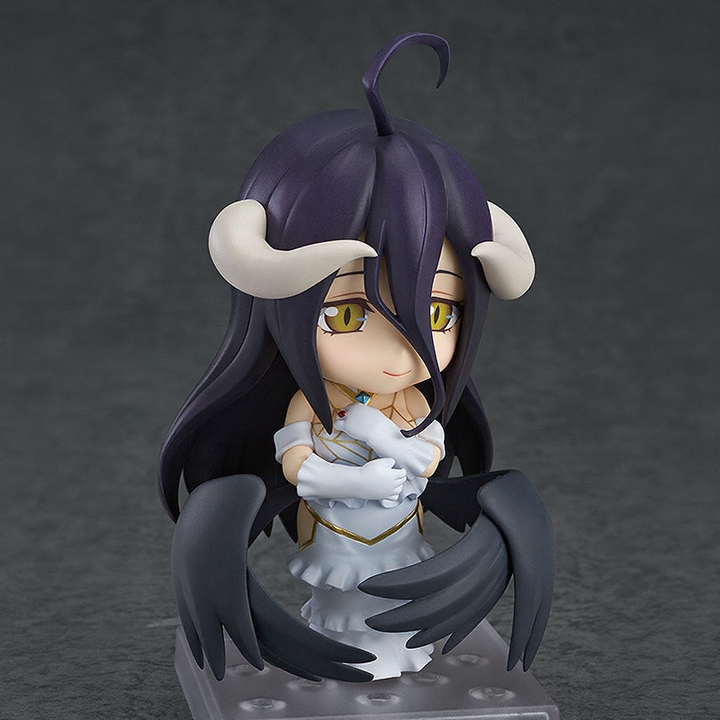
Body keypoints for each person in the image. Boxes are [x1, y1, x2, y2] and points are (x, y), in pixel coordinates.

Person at [159, 32, 554, 683]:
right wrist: (360, 478)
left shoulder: (415, 403)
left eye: (437, 314)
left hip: (401, 535)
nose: (400, 350)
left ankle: (402, 648)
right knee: (343, 607)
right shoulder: (307, 407)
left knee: (400, 603)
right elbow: (301, 471)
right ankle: (333, 654)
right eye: (347, 315)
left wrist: (388, 439)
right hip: (337, 530)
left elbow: (426, 457)